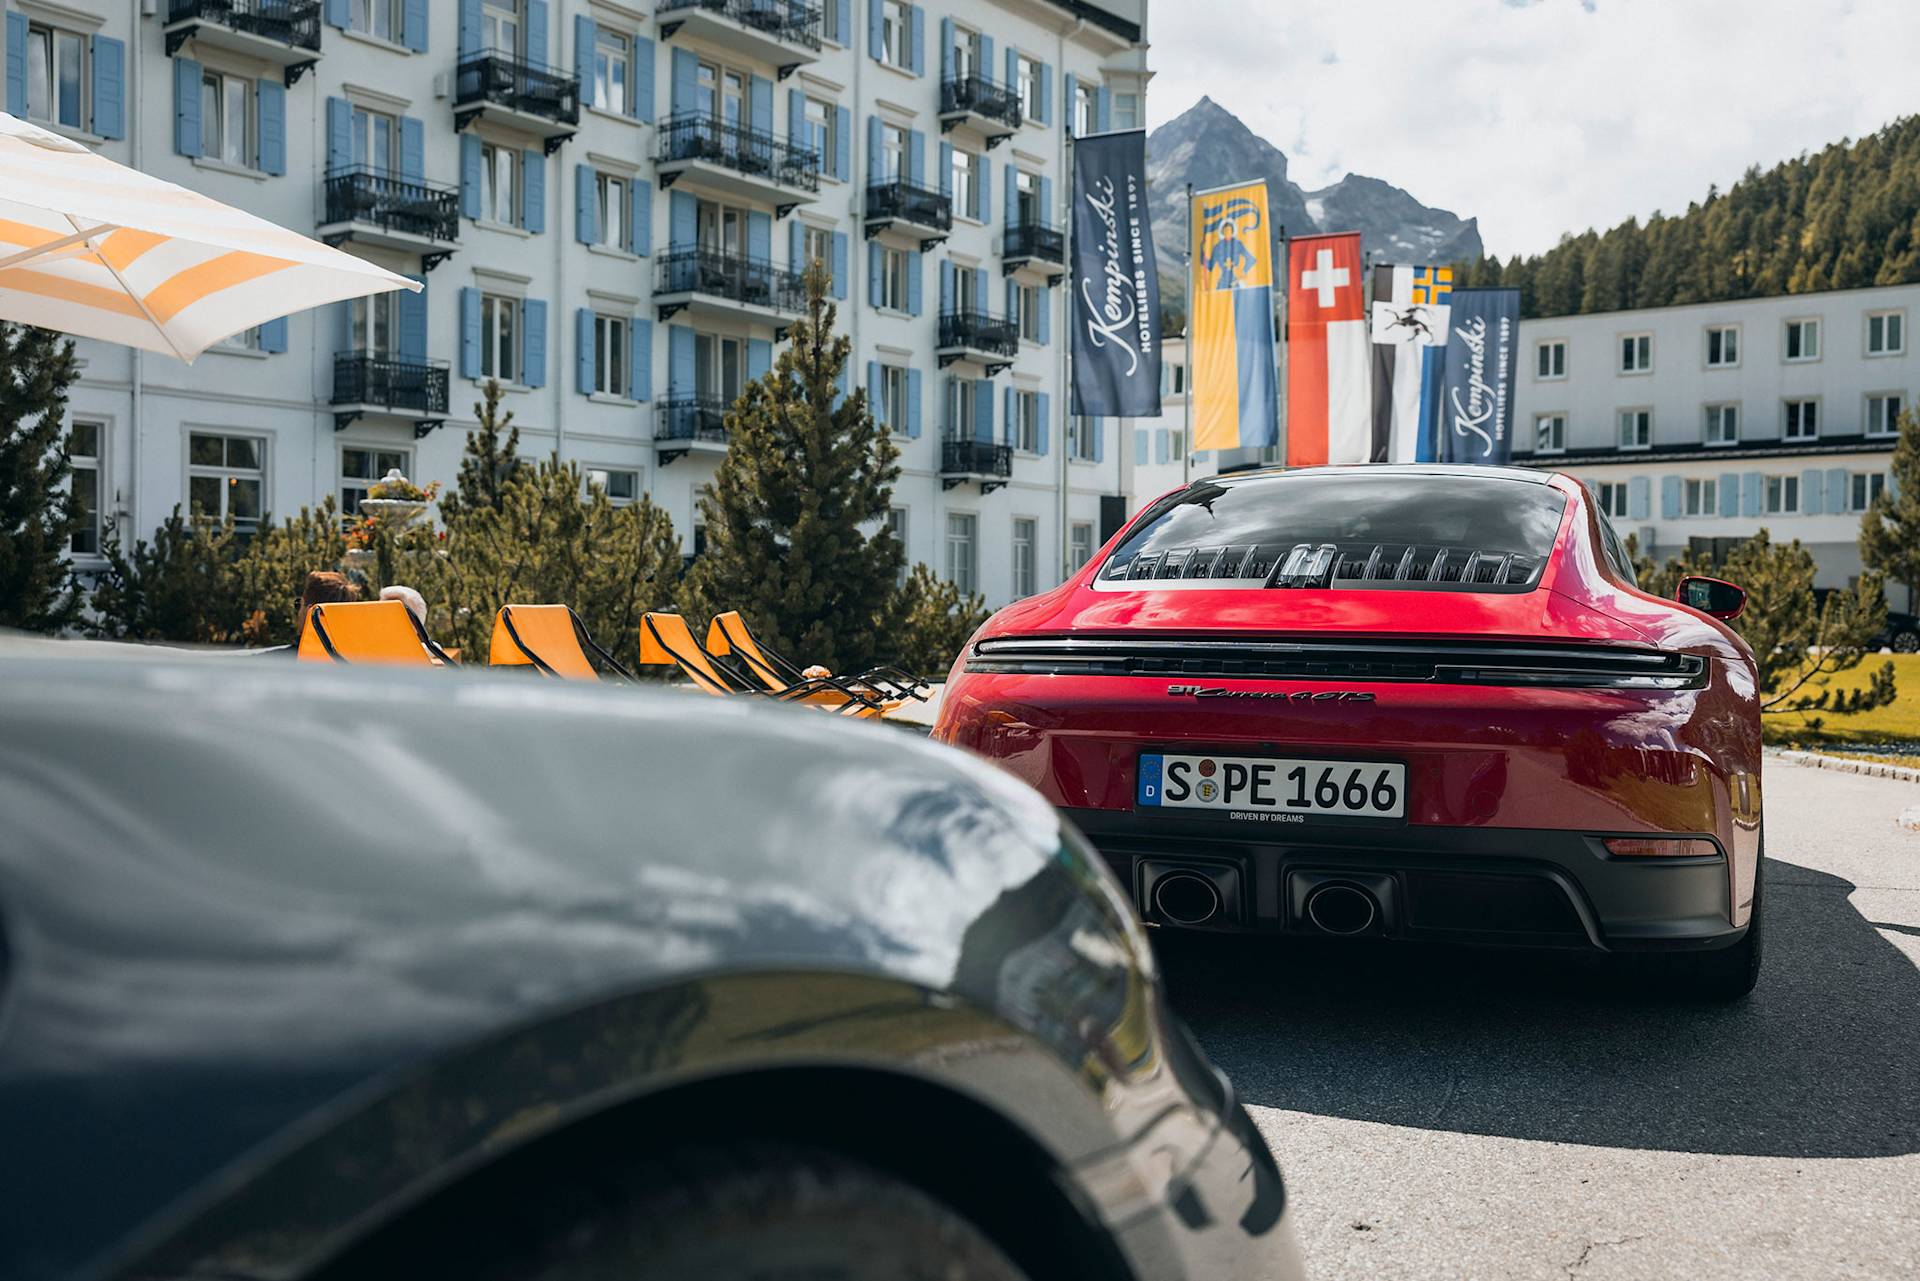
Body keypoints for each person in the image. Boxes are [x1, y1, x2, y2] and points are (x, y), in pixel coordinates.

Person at [291, 571, 360, 651]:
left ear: (310, 612)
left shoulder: (279, 659)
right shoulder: (363, 656)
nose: (298, 613)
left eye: (299, 604)